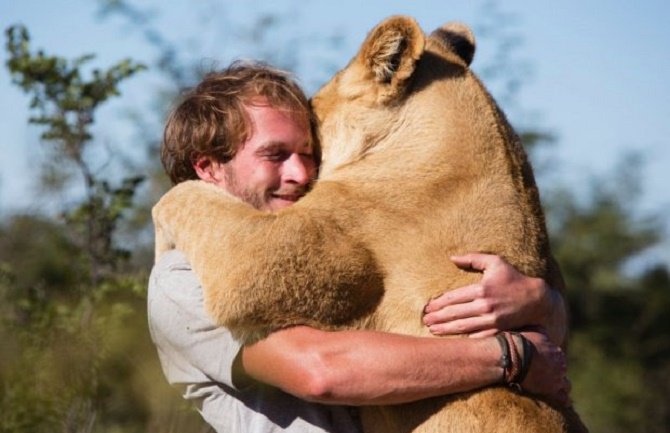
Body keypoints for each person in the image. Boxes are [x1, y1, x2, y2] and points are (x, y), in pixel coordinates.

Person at [148, 61, 569, 433]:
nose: (300, 172)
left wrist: (540, 302)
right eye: (274, 155)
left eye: (308, 153)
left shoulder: (322, 239)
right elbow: (320, 370)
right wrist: (512, 357)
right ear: (207, 168)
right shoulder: (182, 278)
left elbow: (549, 345)